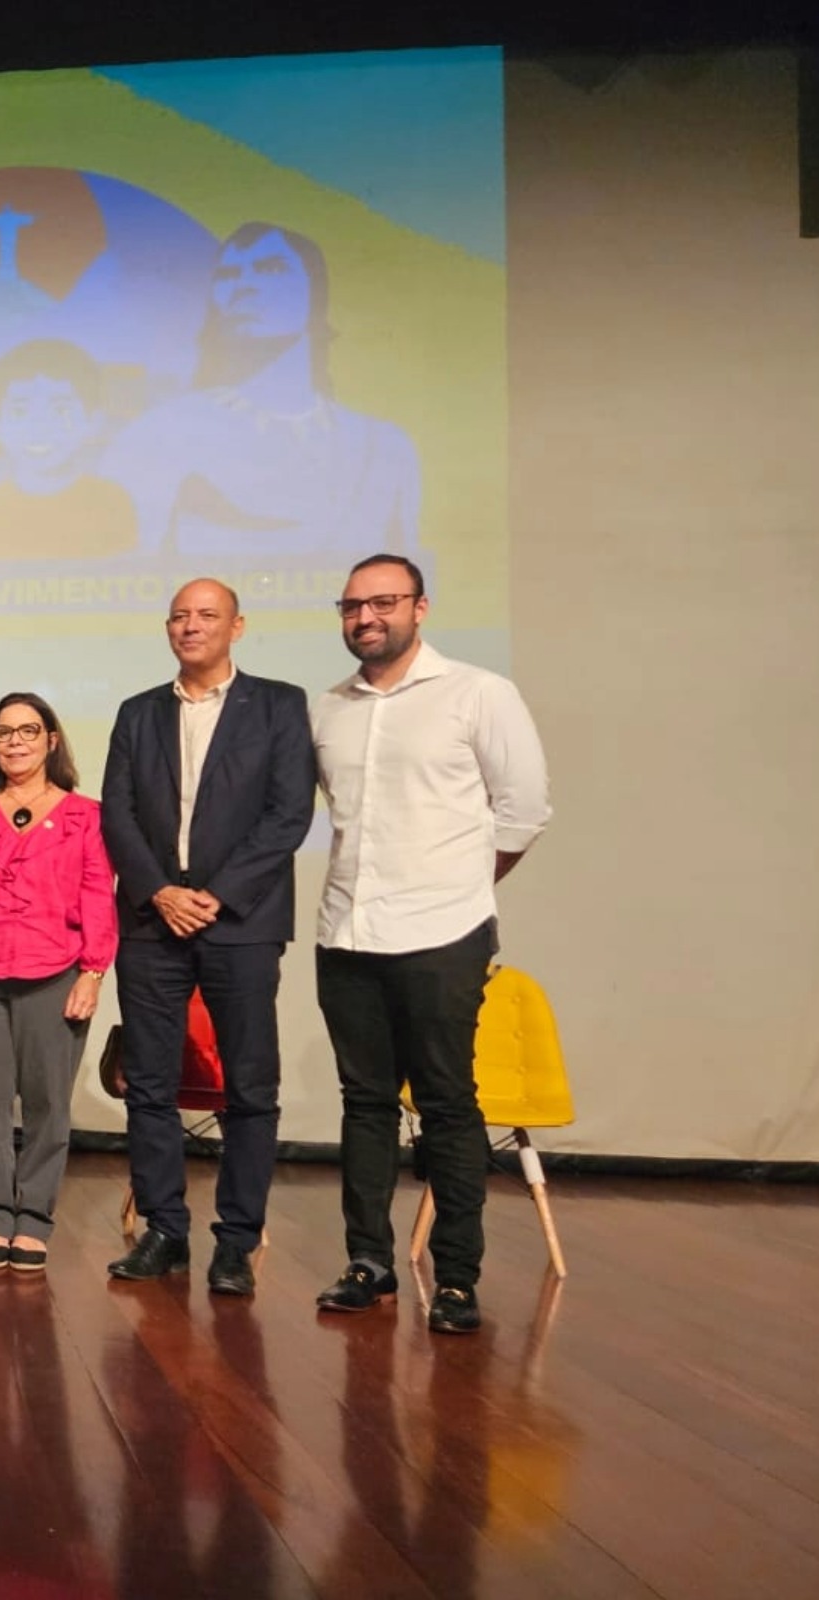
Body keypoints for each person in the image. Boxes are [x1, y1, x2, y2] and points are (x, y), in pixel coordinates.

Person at [311, 554, 549, 1334]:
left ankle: (455, 1279)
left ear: (420, 608)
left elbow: (524, 809)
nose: (366, 617)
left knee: (447, 1103)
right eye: (353, 606)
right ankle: (368, 1262)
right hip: (347, 932)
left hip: (443, 933)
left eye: (383, 602)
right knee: (365, 1103)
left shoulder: (479, 694)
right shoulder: (329, 709)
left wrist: (461, 886)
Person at [101, 580, 317, 1294]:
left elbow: (289, 815)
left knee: (249, 1084)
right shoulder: (138, 713)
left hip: (242, 924)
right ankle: (164, 1230)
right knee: (149, 1084)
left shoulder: (279, 705)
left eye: (206, 615)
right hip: (152, 921)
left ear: (237, 626)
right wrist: (160, 891)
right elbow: (117, 815)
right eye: (179, 616)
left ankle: (237, 1241)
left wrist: (216, 896)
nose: (190, 626)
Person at [103, 223, 422, 558]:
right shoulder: (159, 433)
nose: (245, 286)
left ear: (315, 290)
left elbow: (408, 569)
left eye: (271, 269)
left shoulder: (384, 445)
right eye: (228, 275)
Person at [0, 693, 116, 1273]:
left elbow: (98, 896)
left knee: (47, 1102)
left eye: (28, 730)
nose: (15, 741)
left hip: (56, 973)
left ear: (51, 740)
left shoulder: (86, 816)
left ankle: (34, 1217)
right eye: (3, 732)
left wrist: (93, 972)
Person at [0, 340, 137, 560]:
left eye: (61, 410)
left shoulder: (110, 502)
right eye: (20, 411)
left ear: (93, 421)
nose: (39, 427)